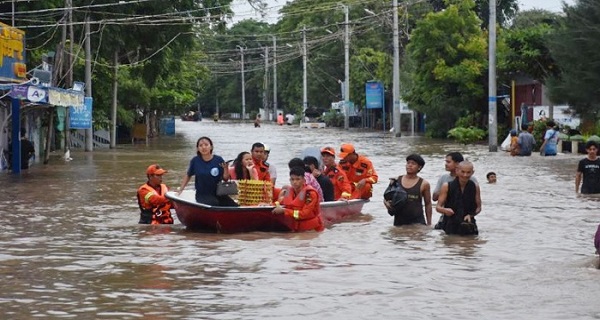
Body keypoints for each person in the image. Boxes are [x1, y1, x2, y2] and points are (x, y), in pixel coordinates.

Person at [178, 136, 237, 206]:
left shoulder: (218, 159)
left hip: (218, 192)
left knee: (234, 206)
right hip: (202, 195)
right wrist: (181, 189)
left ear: (211, 147)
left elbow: (225, 178)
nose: (203, 147)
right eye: (201, 145)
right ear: (197, 148)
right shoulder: (195, 161)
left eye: (206, 145)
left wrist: (225, 169)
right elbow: (188, 175)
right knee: (214, 203)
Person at [432, 152, 478, 229]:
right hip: (448, 216)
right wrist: (448, 189)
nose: (465, 175)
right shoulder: (444, 179)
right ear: (457, 170)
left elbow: (477, 204)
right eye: (462, 172)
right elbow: (434, 199)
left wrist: (471, 214)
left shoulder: (472, 182)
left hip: (467, 217)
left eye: (448, 162)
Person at [384, 154, 432, 226]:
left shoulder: (424, 184)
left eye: (413, 163)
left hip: (417, 222)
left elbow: (428, 204)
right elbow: (386, 197)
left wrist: (429, 223)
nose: (409, 165)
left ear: (419, 167)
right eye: (408, 163)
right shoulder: (396, 180)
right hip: (399, 222)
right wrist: (386, 204)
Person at [272, 166, 324, 232]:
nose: (295, 182)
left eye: (298, 179)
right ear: (290, 180)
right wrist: (267, 204)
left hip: (311, 229)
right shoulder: (289, 191)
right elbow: (280, 203)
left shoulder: (310, 194)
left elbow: (304, 214)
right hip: (296, 228)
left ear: (303, 180)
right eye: (292, 179)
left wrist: (285, 211)